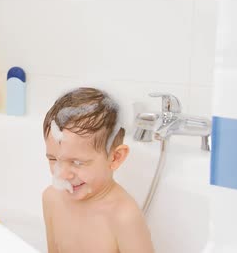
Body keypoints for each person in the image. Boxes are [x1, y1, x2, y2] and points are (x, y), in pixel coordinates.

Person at [41, 87, 154, 253]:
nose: (63, 174)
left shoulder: (124, 217)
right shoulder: (52, 199)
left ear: (115, 157)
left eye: (77, 162)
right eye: (53, 159)